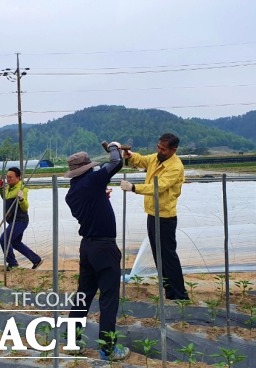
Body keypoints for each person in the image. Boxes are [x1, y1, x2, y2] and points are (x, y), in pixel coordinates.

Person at [64, 143, 130, 361]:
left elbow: (91, 202)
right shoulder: (92, 181)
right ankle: (108, 349)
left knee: (83, 296)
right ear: (87, 169)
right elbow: (116, 162)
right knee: (109, 298)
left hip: (88, 248)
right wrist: (114, 147)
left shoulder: (72, 193)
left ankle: (73, 344)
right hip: (104, 247)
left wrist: (101, 196)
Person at [120, 133, 189, 300]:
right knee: (159, 255)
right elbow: (142, 160)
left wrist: (134, 187)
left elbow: (159, 187)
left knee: (168, 255)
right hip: (152, 213)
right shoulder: (157, 159)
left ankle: (180, 294)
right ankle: (169, 292)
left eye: (163, 149)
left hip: (165, 216)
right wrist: (130, 156)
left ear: (174, 150)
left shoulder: (175, 167)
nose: (159, 151)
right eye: (158, 147)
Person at [0, 167, 42, 271]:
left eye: (10, 177)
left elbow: (25, 207)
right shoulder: (8, 187)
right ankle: (36, 260)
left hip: (20, 220)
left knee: (4, 239)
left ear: (18, 177)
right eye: (7, 177)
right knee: (15, 243)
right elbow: (5, 197)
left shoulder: (22, 189)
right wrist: (0, 189)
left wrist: (21, 199)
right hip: (12, 220)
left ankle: (12, 263)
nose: (8, 179)